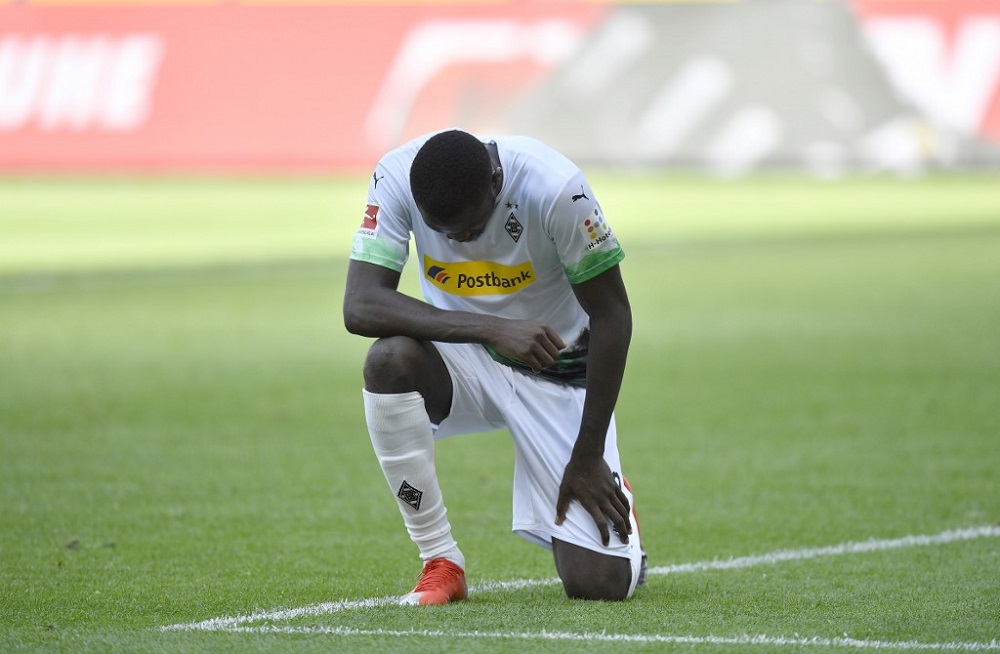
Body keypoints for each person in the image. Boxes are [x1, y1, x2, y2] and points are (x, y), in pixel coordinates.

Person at [343, 129, 645, 604]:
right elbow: (359, 305)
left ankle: (613, 482)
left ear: (495, 184)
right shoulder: (396, 176)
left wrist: (588, 453)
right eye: (440, 232)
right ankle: (440, 559)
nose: (455, 241)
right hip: (464, 358)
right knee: (388, 361)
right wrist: (490, 329)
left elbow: (613, 315)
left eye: (466, 229)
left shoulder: (556, 188)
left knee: (598, 585)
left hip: (556, 368)